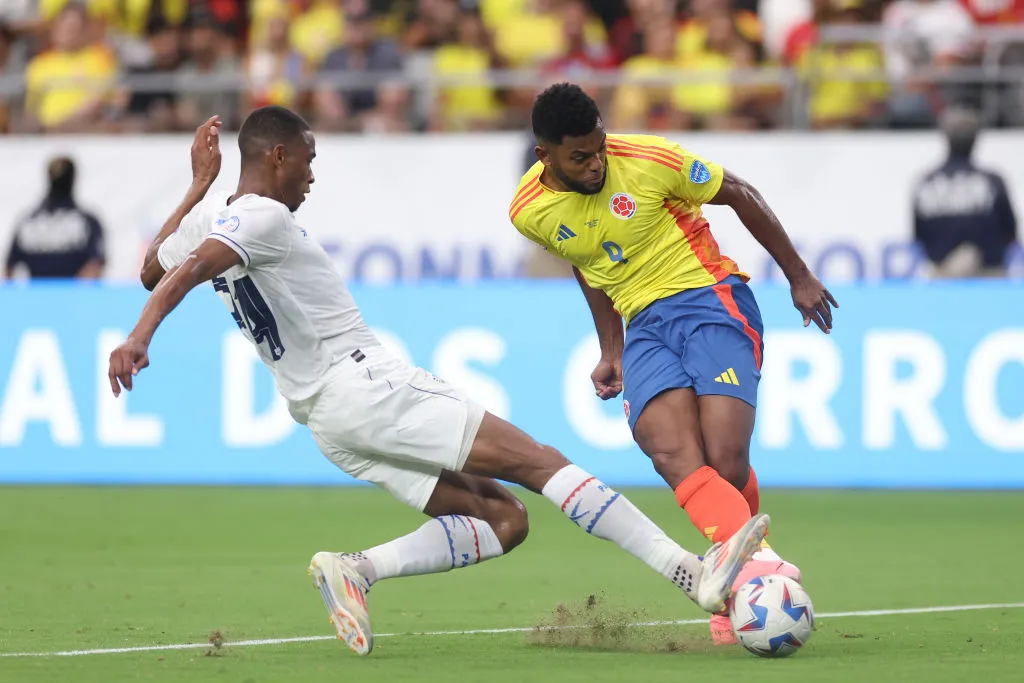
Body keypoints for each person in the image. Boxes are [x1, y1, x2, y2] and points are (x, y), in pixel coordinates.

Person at [106, 107, 770, 656]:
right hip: (365, 386)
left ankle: (356, 570)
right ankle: (693, 573)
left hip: (325, 420)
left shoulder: (215, 211)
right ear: (277, 155)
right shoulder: (262, 216)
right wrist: (140, 337)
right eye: (307, 160)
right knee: (543, 463)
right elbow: (191, 266)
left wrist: (198, 185)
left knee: (504, 519)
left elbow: (153, 267)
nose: (312, 176)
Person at [508, 83, 837, 645]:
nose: (595, 165)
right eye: (579, 158)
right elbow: (587, 265)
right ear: (546, 157)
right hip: (644, 325)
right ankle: (755, 575)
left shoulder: (650, 160)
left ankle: (738, 580)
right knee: (670, 453)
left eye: (599, 148)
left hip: (710, 299)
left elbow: (738, 192)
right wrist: (611, 348)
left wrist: (798, 275)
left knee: (724, 460)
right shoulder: (529, 211)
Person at [913, 106, 1018, 278]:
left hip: (943, 279)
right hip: (988, 280)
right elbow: (1010, 232)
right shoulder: (992, 182)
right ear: (976, 139)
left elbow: (919, 237)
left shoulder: (927, 183)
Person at [5, 156, 105, 280]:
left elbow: (9, 269)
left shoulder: (28, 221)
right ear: (74, 179)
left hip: (35, 296)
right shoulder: (87, 221)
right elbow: (95, 266)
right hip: (73, 297)